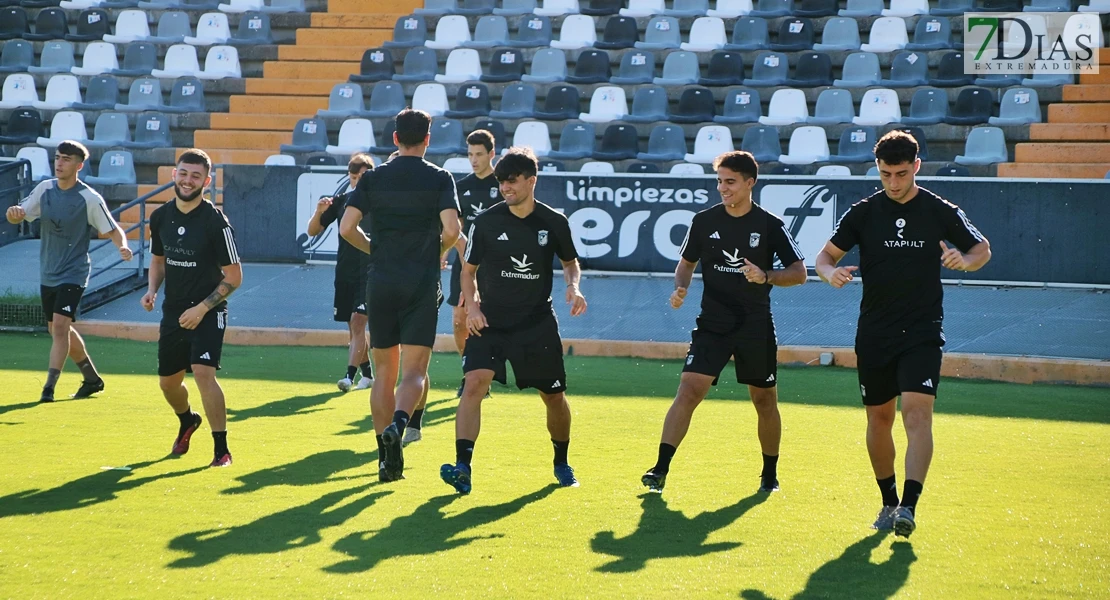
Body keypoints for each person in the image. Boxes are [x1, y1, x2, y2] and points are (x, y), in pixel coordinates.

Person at [814, 130, 991, 538]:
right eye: (885, 174)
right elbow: (825, 257)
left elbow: (982, 249)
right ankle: (888, 501)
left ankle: (909, 507)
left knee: (916, 413)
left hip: (923, 331)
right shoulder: (863, 212)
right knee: (879, 418)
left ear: (916, 167)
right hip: (874, 332)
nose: (893, 183)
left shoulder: (939, 209)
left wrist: (964, 260)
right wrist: (829, 273)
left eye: (900, 174)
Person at [641, 150, 806, 495]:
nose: (723, 188)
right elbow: (686, 264)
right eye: (719, 181)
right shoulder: (704, 221)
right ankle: (659, 469)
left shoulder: (770, 225)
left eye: (730, 182)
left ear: (750, 183)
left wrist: (766, 276)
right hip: (712, 324)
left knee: (764, 401)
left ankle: (769, 474)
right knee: (688, 390)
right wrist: (680, 288)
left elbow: (799, 273)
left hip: (755, 326)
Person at [440, 147, 587, 495]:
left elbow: (570, 262)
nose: (505, 187)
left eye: (512, 181)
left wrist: (574, 286)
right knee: (474, 383)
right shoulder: (487, 221)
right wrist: (473, 307)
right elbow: (468, 271)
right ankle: (463, 467)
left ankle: (561, 462)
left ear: (531, 181)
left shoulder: (554, 221)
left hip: (536, 323)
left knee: (553, 397)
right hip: (490, 320)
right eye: (501, 182)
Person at [340, 109, 461, 482]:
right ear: (428, 139)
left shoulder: (374, 177)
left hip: (382, 282)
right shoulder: (440, 177)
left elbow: (347, 228)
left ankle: (385, 459)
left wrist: (375, 250)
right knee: (414, 373)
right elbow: (453, 229)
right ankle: (400, 424)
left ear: (394, 139)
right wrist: (437, 250)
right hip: (420, 283)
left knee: (383, 376)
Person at [5, 141, 132, 403]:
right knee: (56, 329)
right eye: (58, 158)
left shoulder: (89, 198)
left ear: (79, 165)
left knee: (61, 326)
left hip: (74, 272)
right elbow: (18, 215)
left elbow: (112, 228)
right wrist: (13, 214)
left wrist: (124, 247)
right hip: (48, 271)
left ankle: (48, 388)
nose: (59, 163)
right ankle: (92, 378)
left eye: (66, 159)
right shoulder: (45, 189)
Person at [141, 149, 242, 468]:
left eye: (196, 175)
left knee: (203, 373)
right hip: (173, 312)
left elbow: (235, 276)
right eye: (183, 173)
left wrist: (201, 308)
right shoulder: (159, 217)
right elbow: (158, 260)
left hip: (209, 311)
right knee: (168, 383)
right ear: (174, 174)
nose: (188, 180)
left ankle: (221, 450)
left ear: (207, 181)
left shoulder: (216, 222)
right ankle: (187, 420)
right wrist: (152, 290)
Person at [306, 153, 374, 393]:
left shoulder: (380, 201)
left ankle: (349, 376)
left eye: (362, 176)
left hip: (370, 270)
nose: (357, 181)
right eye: (354, 176)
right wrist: (318, 211)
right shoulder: (341, 201)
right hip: (345, 270)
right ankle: (368, 375)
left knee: (358, 322)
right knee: (352, 326)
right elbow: (313, 231)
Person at [446, 129, 503, 398]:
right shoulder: (462, 186)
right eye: (470, 154)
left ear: (492, 154)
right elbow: (452, 224)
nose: (474, 160)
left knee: (487, 321)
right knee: (459, 322)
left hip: (494, 267)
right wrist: (453, 244)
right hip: (466, 264)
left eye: (479, 154)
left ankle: (484, 373)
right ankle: (470, 372)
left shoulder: (504, 185)